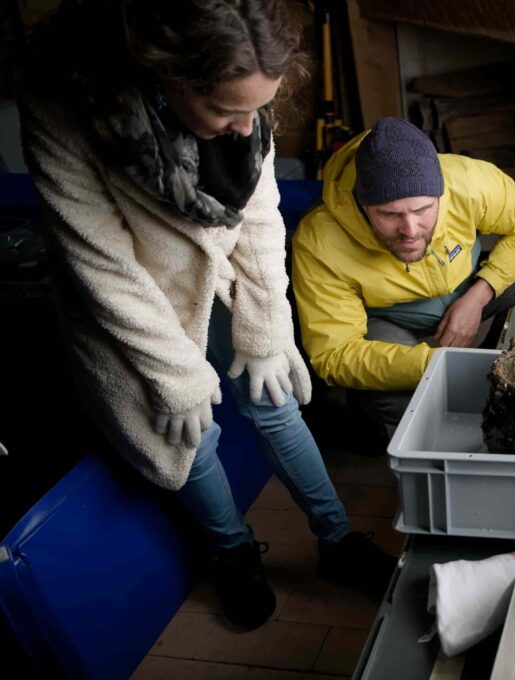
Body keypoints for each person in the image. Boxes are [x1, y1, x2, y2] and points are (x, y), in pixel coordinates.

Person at [17, 0, 393, 631]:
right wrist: (179, 375)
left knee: (273, 400)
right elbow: (100, 262)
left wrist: (267, 328)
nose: (247, 128)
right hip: (133, 305)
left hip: (218, 277)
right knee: (188, 431)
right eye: (226, 111)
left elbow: (263, 217)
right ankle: (233, 552)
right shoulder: (63, 107)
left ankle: (337, 541)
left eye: (258, 110)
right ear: (169, 75)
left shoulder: (248, 91)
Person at [291, 117, 515, 444]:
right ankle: (436, 407)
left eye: (423, 210)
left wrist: (481, 293)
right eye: (390, 214)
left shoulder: (467, 180)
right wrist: (436, 363)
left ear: (441, 193)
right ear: (362, 204)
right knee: (401, 399)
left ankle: (504, 376)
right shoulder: (318, 240)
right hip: (388, 316)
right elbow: (335, 354)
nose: (410, 231)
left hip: (467, 285)